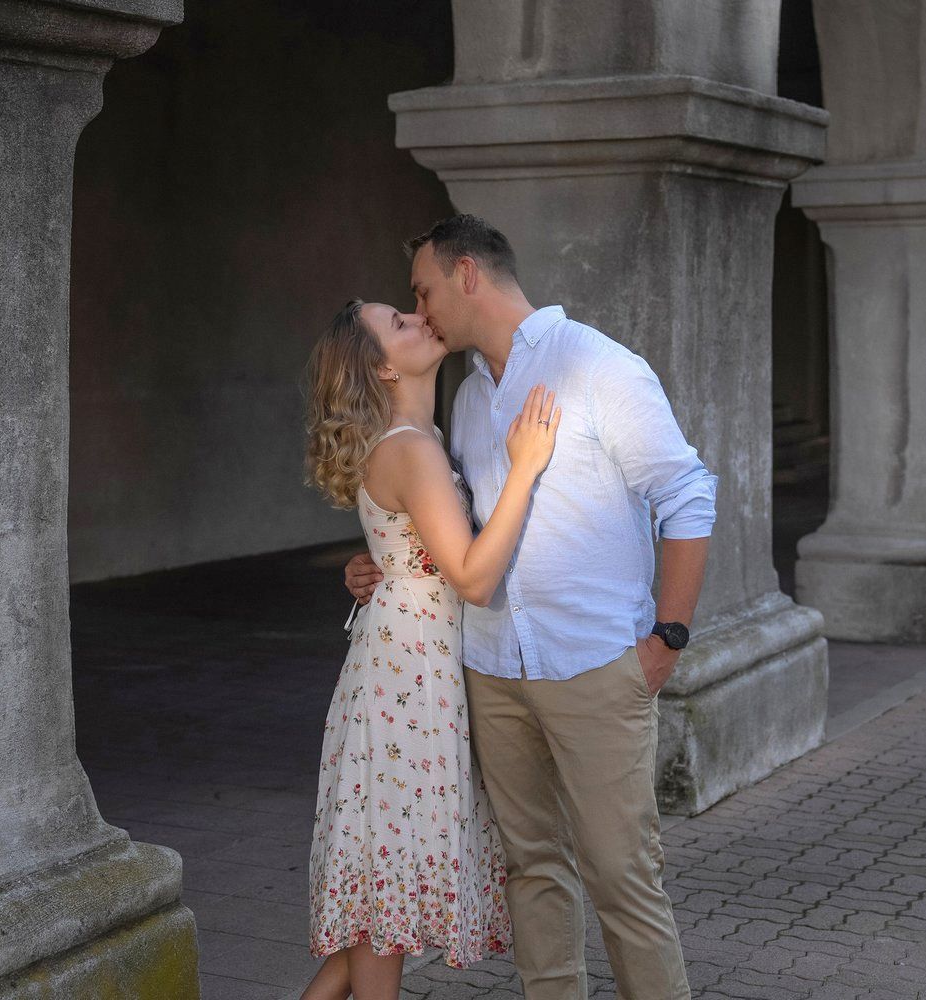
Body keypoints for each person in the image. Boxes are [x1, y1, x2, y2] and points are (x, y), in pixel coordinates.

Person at [344, 214, 717, 999]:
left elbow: (687, 497)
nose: (421, 308)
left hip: (595, 667)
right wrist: (391, 567)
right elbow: (467, 535)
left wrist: (668, 637)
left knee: (623, 878)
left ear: (467, 274)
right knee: (533, 873)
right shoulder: (472, 398)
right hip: (490, 670)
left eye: (423, 289)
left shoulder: (600, 366)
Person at [300, 296, 561, 1000]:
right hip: (406, 684)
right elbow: (474, 578)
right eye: (399, 323)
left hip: (402, 673)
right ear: (384, 366)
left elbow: (407, 548)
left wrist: (372, 567)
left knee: (376, 914)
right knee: (383, 910)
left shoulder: (417, 433)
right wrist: (526, 468)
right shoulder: (412, 448)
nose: (419, 320)